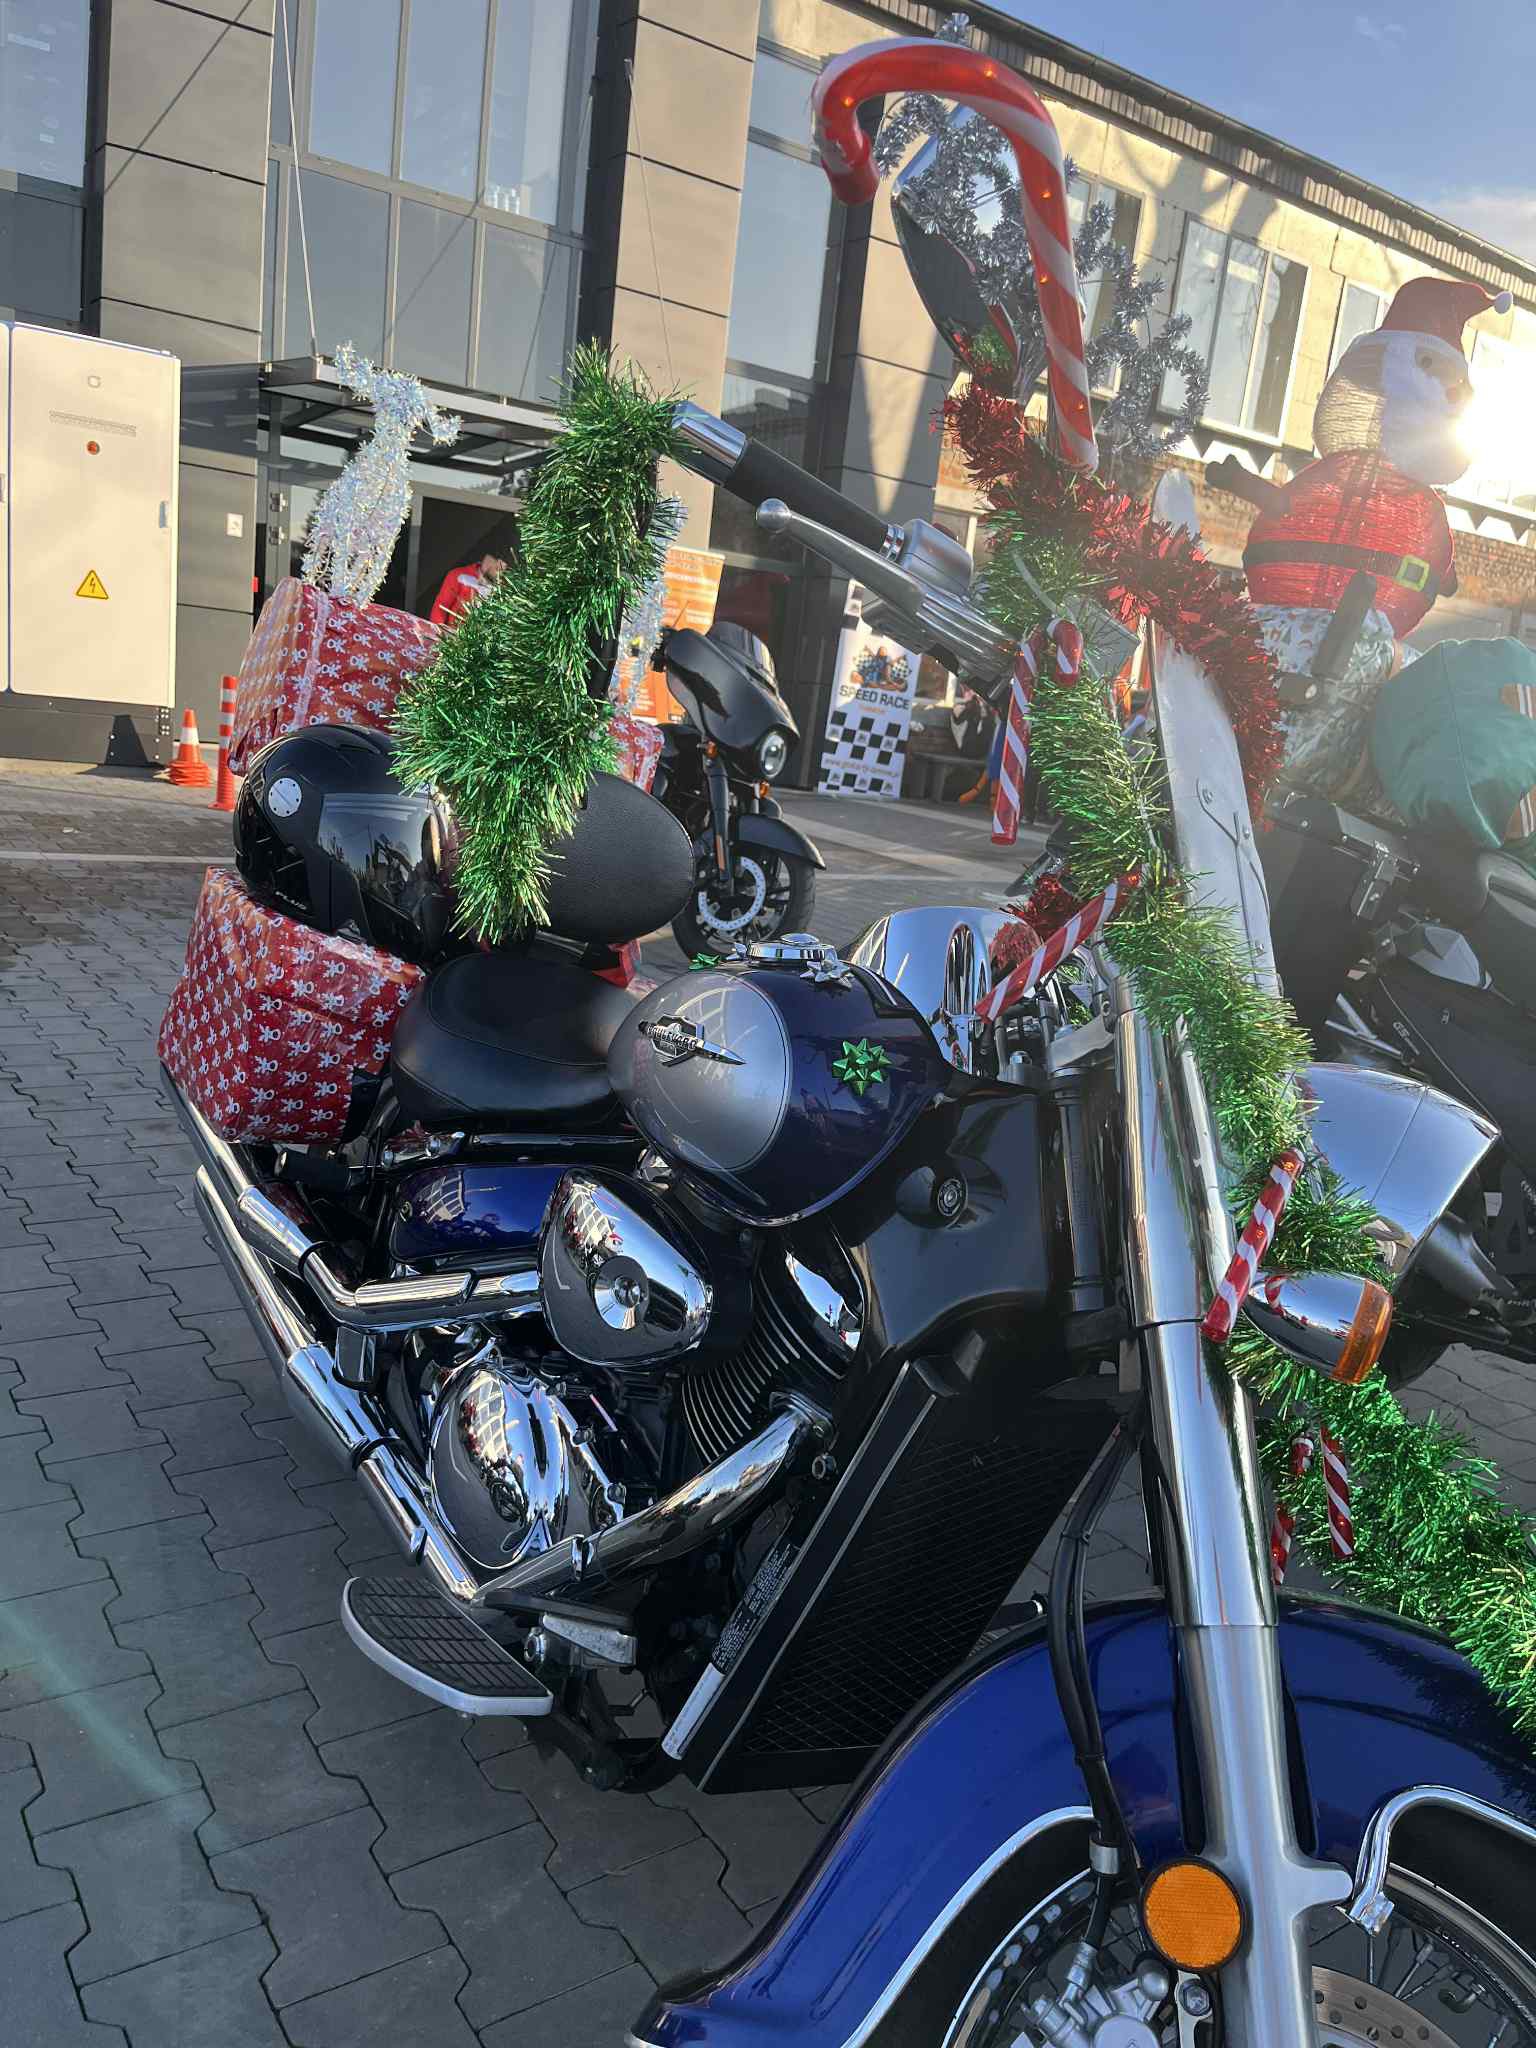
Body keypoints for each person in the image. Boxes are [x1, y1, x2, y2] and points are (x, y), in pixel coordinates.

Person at [429, 552, 506, 627]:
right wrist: (439, 631)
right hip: (452, 631)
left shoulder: (501, 590)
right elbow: (441, 606)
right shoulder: (458, 575)